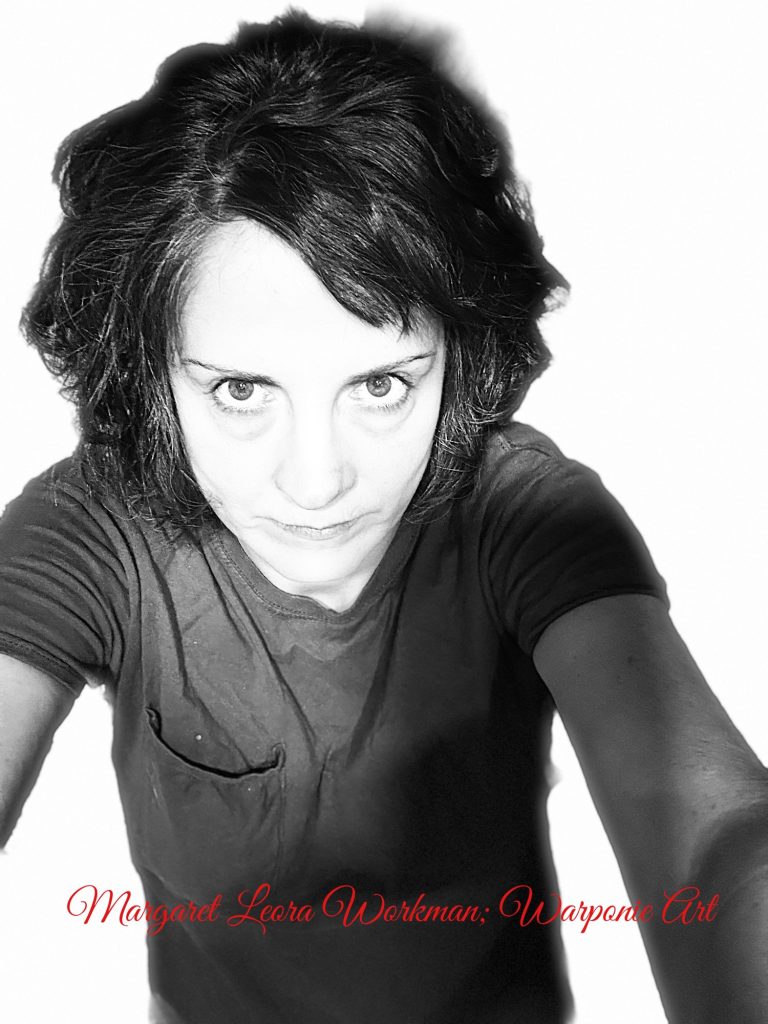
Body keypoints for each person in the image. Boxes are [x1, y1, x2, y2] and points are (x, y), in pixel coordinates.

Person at [0, 10, 766, 1024]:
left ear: (458, 358)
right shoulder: (94, 524)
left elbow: (710, 833)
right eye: (240, 390)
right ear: (151, 377)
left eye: (380, 385)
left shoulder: (520, 512)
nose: (317, 482)